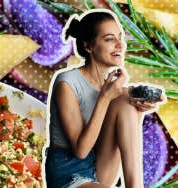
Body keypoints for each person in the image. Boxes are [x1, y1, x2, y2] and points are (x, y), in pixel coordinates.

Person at [44, 9, 164, 188]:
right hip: (68, 171)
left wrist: (144, 105)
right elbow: (81, 150)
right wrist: (104, 98)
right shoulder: (66, 83)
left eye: (120, 37)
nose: (120, 45)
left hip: (99, 165)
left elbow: (155, 98)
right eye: (109, 39)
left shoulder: (113, 86)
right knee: (122, 98)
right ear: (88, 46)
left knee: (126, 102)